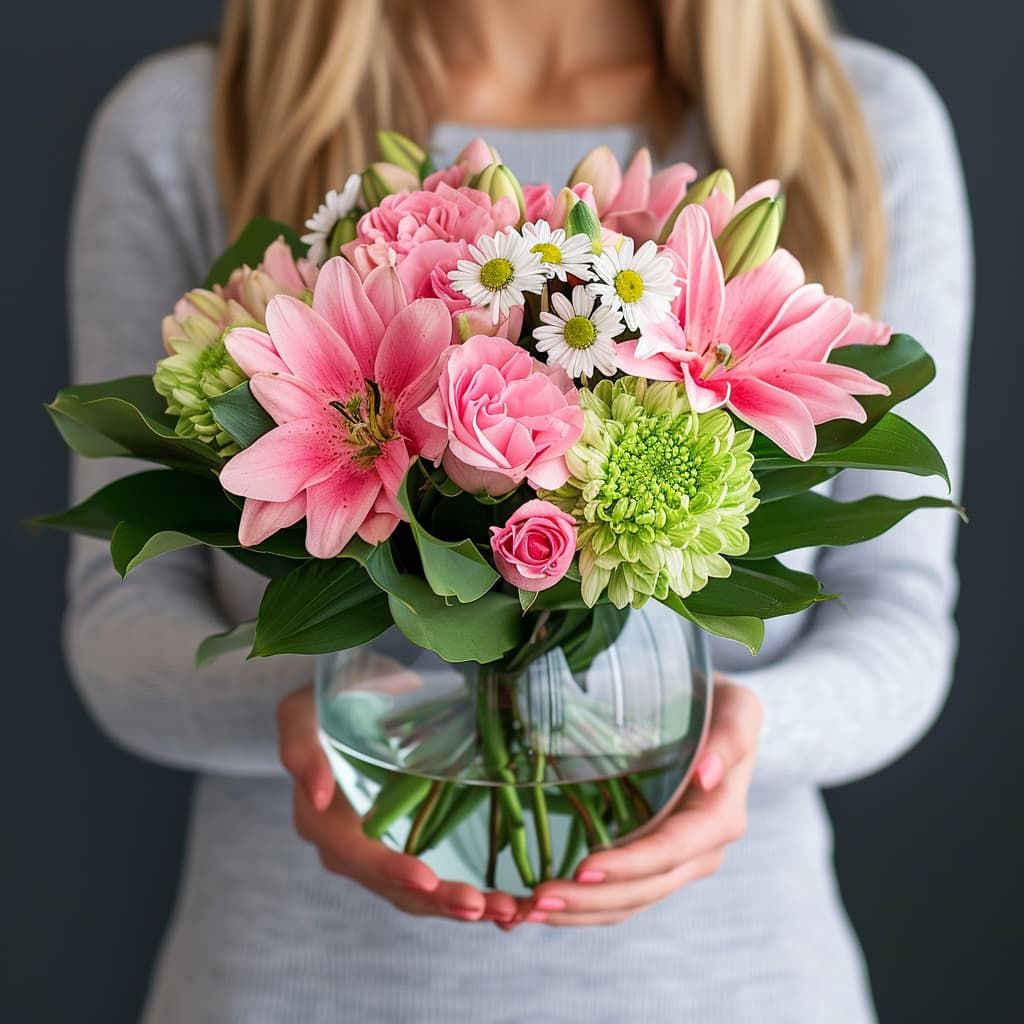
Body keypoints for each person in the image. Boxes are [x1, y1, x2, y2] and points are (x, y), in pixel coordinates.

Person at [65, 0, 971, 1020]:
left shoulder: (855, 121)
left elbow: (898, 622)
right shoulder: (190, 121)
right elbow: (118, 629)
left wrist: (740, 737)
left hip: (728, 987)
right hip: (292, 985)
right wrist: (320, 724)